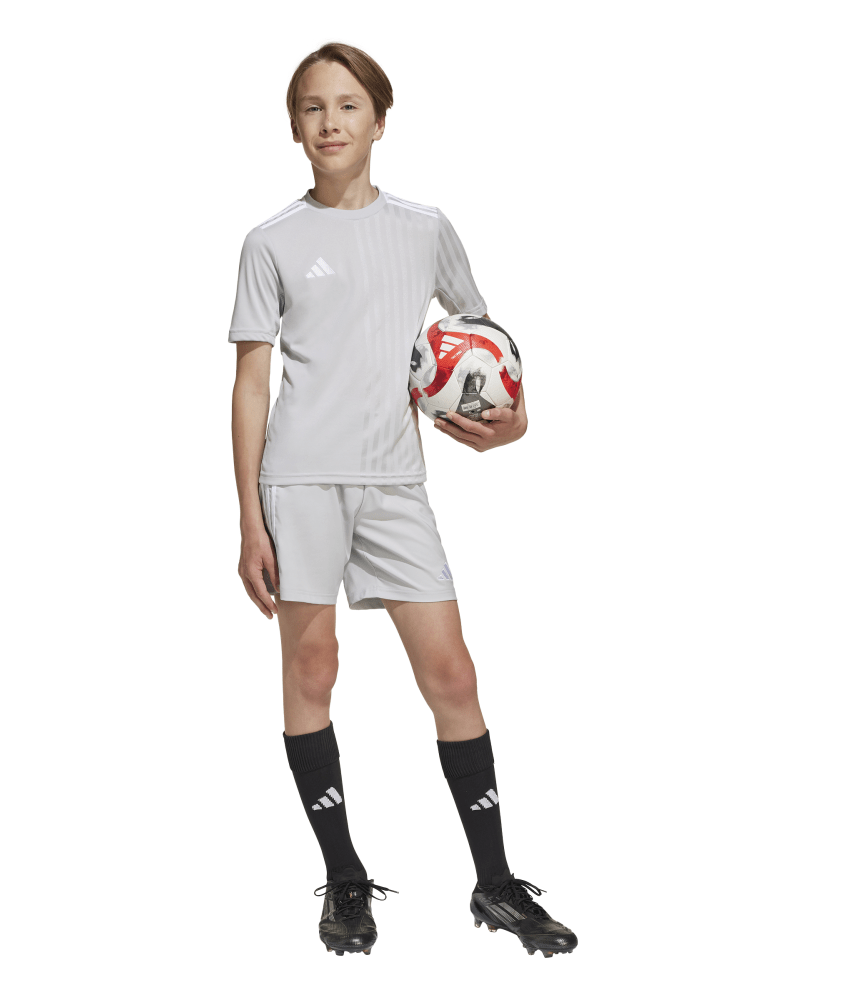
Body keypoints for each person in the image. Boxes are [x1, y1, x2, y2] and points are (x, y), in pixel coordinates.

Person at [228, 42, 577, 959]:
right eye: (312, 107)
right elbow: (252, 384)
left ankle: (494, 882)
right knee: (312, 673)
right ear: (294, 126)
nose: (330, 122)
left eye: (348, 105)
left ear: (380, 120)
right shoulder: (270, 241)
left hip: (395, 483)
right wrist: (249, 518)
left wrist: (515, 421)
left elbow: (482, 343)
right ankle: (345, 877)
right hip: (299, 482)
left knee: (452, 676)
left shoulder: (424, 228)